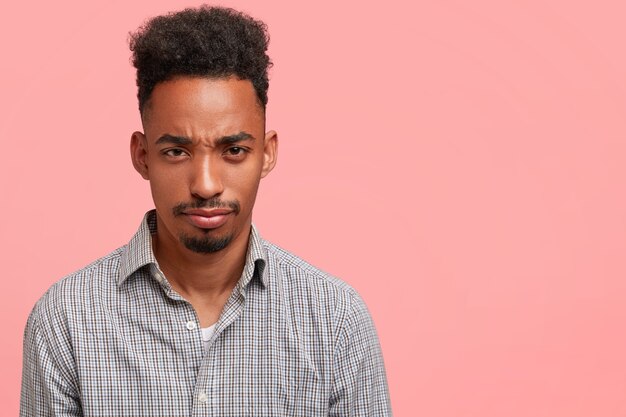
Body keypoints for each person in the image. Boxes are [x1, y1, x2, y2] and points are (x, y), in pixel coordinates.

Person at [20, 5, 392, 416]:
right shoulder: (66, 322)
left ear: (266, 154)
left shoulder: (335, 321)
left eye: (234, 150)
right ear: (143, 155)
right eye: (177, 151)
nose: (206, 185)